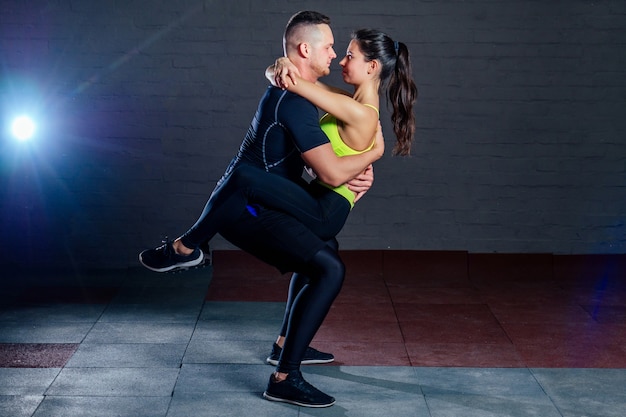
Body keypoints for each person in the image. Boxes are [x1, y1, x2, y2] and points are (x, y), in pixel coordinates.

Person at [140, 11, 384, 408]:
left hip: (259, 204)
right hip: (247, 210)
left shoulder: (302, 95)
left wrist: (360, 168)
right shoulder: (295, 101)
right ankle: (284, 375)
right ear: (306, 49)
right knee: (327, 266)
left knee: (325, 254)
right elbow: (328, 169)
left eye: (344, 51)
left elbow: (313, 157)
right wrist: (371, 154)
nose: (335, 55)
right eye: (329, 47)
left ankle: (287, 345)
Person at [140, 27, 417, 271]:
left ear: (372, 67)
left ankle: (185, 247)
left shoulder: (360, 113)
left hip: (326, 211)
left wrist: (374, 153)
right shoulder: (347, 101)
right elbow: (299, 84)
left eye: (350, 56)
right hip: (319, 196)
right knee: (246, 189)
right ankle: (193, 246)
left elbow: (295, 84)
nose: (340, 60)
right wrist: (277, 66)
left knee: (243, 178)